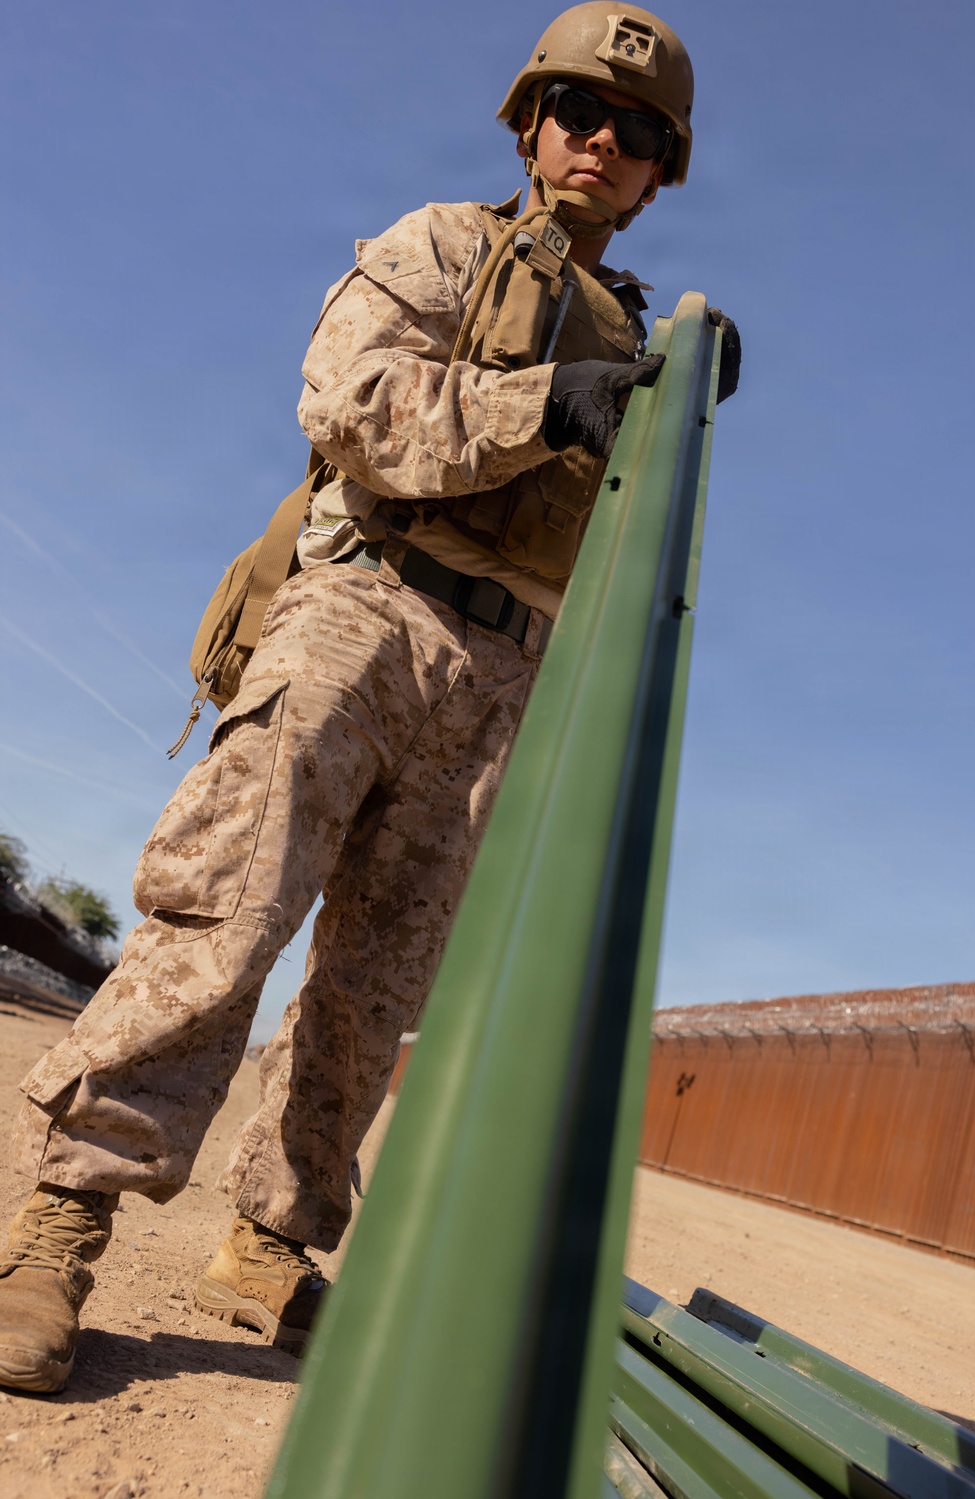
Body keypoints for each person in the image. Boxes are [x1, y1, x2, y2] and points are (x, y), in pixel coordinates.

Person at [0, 3, 738, 1393]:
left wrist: (676, 406)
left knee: (375, 986)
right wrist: (544, 407)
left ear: (660, 172)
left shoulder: (633, 348)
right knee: (229, 908)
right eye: (579, 110)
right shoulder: (442, 245)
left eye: (637, 132)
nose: (602, 140)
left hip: (503, 673)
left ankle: (268, 1244)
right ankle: (61, 1226)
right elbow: (349, 404)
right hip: (365, 606)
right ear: (531, 126)